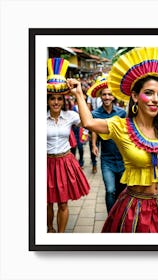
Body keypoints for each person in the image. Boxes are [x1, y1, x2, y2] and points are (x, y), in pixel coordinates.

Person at [67, 47, 158, 233]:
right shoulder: (120, 126)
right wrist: (78, 95)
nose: (155, 99)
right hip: (135, 208)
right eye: (149, 92)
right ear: (134, 96)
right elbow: (89, 122)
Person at [46, 57, 90, 233]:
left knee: (63, 202)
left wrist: (78, 93)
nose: (56, 102)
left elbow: (88, 121)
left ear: (64, 100)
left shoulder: (71, 116)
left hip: (65, 162)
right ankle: (49, 229)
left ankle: (61, 235)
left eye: (59, 98)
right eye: (52, 98)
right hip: (45, 163)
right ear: (47, 100)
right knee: (47, 201)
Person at [87, 74, 127, 213]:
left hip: (123, 159)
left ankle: (120, 215)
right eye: (104, 95)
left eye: (110, 94)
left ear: (114, 96)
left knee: (122, 191)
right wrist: (93, 145)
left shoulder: (122, 113)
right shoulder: (95, 113)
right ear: (100, 96)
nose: (107, 97)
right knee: (110, 190)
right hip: (107, 159)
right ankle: (111, 217)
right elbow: (94, 130)